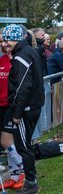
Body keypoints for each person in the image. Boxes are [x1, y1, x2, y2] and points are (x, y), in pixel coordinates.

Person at [2, 24, 45, 193]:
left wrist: (17, 113)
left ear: (16, 38)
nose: (5, 44)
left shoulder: (21, 56)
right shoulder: (29, 51)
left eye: (8, 40)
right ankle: (30, 180)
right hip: (33, 106)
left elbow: (22, 87)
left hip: (25, 108)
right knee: (25, 144)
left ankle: (31, 182)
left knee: (23, 147)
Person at [0, 31, 25, 191]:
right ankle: (15, 176)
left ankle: (25, 170)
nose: (3, 45)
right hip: (0, 106)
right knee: (8, 142)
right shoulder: (1, 60)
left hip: (11, 107)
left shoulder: (18, 60)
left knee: (5, 141)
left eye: (5, 41)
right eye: (1, 42)